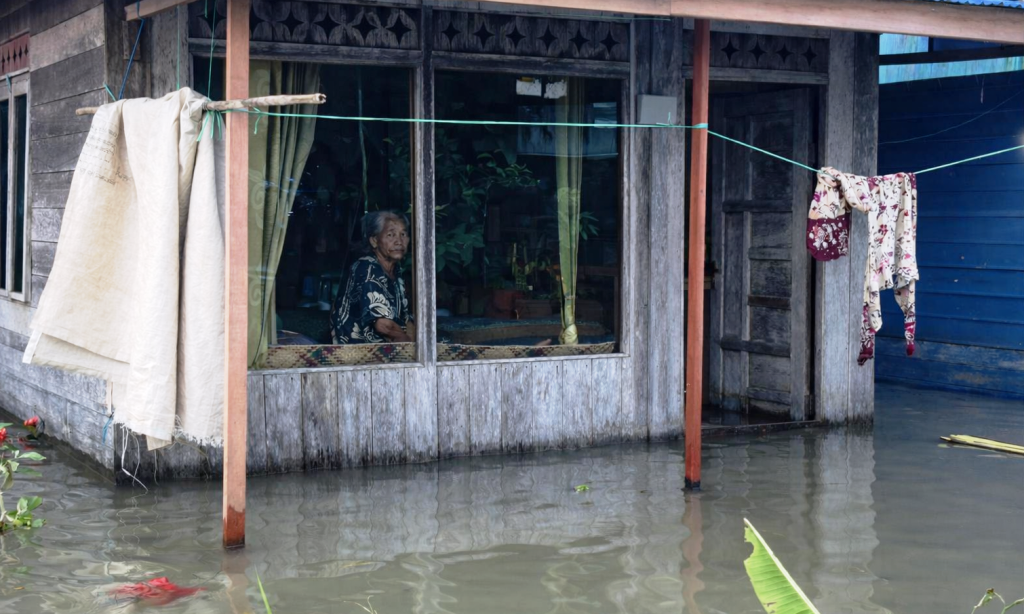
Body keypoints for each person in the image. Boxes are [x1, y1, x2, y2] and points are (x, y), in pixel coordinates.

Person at [330, 211, 414, 344]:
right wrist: (410, 343)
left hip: (386, 348)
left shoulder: (395, 270)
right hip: (358, 351)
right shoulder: (367, 268)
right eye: (391, 235)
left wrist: (414, 340)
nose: (399, 241)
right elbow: (384, 326)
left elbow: (405, 317)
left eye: (403, 234)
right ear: (374, 241)